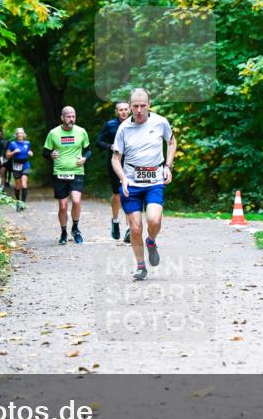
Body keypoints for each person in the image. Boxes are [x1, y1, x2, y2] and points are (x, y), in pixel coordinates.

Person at [111, 88, 176, 281]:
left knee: (154, 220)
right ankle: (140, 266)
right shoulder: (123, 128)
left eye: (143, 106)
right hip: (131, 183)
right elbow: (115, 159)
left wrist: (168, 166)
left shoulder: (160, 122)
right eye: (135, 106)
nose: (139, 110)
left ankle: (151, 241)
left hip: (155, 180)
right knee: (136, 227)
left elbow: (172, 142)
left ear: (149, 105)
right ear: (130, 106)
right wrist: (123, 178)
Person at [43, 106, 91, 245]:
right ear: (62, 118)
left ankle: (75, 228)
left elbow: (88, 151)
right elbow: (45, 152)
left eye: (73, 116)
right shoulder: (53, 133)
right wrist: (50, 155)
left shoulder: (81, 132)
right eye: (69, 116)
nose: (71, 119)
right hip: (60, 172)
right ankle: (63, 231)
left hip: (77, 171)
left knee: (76, 201)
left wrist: (85, 158)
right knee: (63, 206)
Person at [96, 100, 131, 241]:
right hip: (115, 163)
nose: (123, 112)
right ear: (116, 112)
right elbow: (98, 141)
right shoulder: (110, 125)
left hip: (131, 164)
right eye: (120, 109)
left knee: (130, 193)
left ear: (129, 110)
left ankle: (129, 228)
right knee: (117, 194)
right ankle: (115, 221)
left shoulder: (135, 124)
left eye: (125, 109)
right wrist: (110, 146)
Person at [5, 128, 33, 211]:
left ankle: (23, 204)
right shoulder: (12, 144)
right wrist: (14, 152)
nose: (20, 135)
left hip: (25, 164)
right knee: (18, 186)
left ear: (24, 134)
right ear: (16, 135)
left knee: (24, 185)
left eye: (21, 133)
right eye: (18, 133)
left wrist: (30, 153)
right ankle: (18, 202)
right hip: (16, 165)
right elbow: (7, 156)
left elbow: (29, 151)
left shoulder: (27, 143)